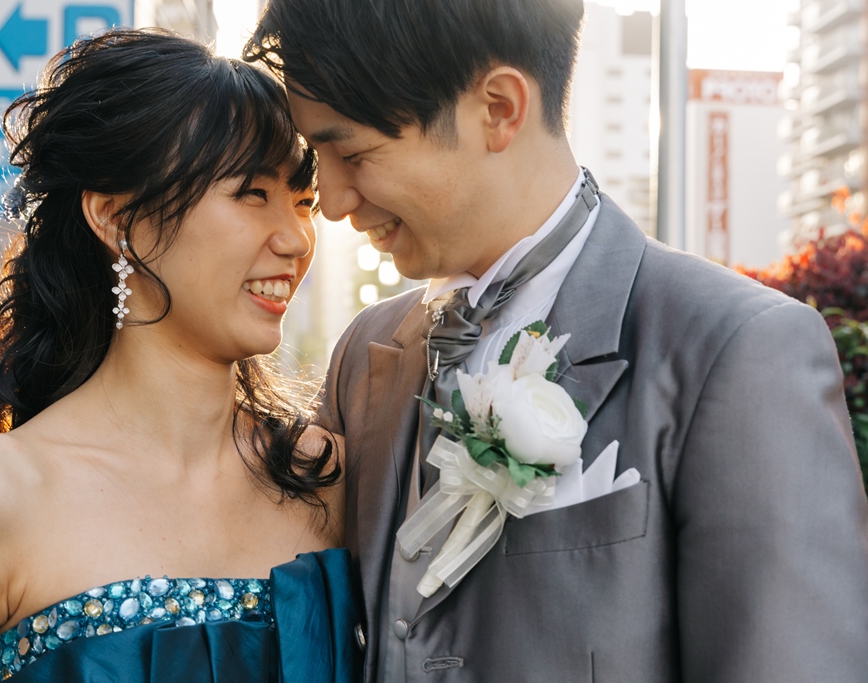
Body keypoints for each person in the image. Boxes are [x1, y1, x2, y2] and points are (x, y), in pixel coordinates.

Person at [244, 1, 868, 681]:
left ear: (499, 108)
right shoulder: (365, 351)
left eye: (353, 154)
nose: (332, 202)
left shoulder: (737, 351)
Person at [0, 29, 362, 683]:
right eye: (252, 193)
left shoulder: (324, 474)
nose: (296, 238)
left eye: (304, 202)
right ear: (116, 219)